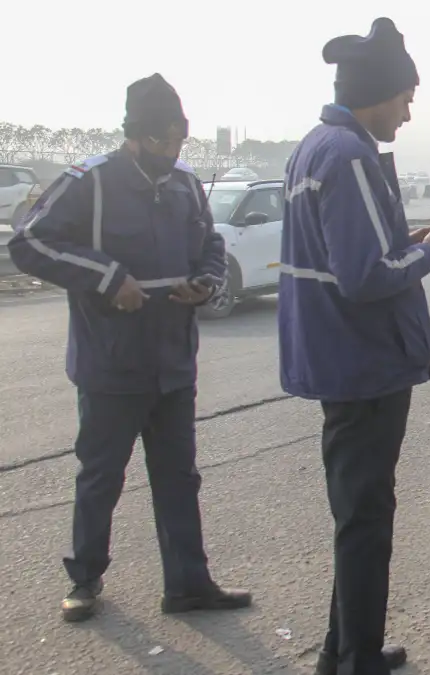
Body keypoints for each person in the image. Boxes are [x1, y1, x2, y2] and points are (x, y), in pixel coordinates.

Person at [6, 74, 251, 623]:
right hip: (111, 361)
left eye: (178, 142)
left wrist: (205, 284)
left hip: (172, 360)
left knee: (179, 476)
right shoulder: (89, 181)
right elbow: (30, 241)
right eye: (162, 143)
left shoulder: (186, 183)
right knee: (101, 476)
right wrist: (108, 276)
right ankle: (85, 580)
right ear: (134, 136)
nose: (171, 152)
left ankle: (188, 583)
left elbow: (210, 244)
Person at [278, 18, 430, 675]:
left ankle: (341, 648)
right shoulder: (350, 153)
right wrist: (428, 255)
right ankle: (357, 656)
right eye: (407, 99)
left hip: (342, 361)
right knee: (365, 518)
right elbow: (364, 277)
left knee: (357, 513)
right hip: (364, 363)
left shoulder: (315, 146)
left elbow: (347, 255)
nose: (410, 113)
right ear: (380, 92)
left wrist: (403, 242)